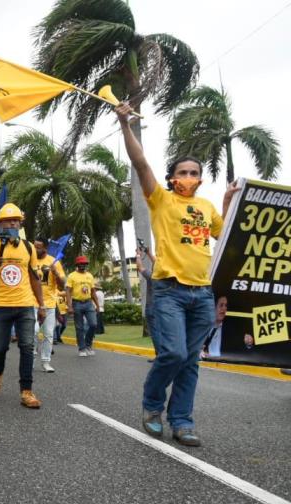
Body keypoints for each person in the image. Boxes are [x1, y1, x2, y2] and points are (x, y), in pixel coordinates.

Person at [117, 102, 237, 447]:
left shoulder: (206, 206)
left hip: (202, 293)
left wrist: (228, 200)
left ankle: (182, 421)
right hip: (169, 289)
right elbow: (140, 163)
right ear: (171, 178)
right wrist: (125, 124)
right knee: (173, 354)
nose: (188, 177)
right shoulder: (161, 200)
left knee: (191, 362)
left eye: (194, 172)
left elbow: (224, 233)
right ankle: (152, 405)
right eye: (182, 173)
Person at [0, 203, 45, 409]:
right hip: (0, 305)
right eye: (9, 220)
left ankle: (26, 391)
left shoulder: (28, 247)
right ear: (1, 224)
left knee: (27, 347)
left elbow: (34, 279)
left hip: (25, 305)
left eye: (17, 220)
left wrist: (41, 305)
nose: (13, 222)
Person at [31, 239, 65, 373]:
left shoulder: (54, 261)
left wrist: (56, 273)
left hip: (50, 303)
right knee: (33, 331)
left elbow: (62, 285)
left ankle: (46, 362)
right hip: (32, 302)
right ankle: (31, 360)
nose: (35, 249)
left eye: (38, 247)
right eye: (34, 247)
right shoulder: (30, 260)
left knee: (49, 334)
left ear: (45, 248)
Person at [66, 256, 99, 356]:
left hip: (89, 303)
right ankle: (82, 349)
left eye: (84, 264)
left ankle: (88, 345)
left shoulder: (89, 275)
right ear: (77, 265)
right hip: (77, 303)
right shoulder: (72, 276)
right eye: (81, 263)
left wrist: (97, 305)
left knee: (93, 324)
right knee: (79, 327)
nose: (83, 265)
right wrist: (70, 306)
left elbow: (93, 291)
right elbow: (68, 291)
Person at [135, 247, 158, 362]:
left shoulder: (152, 276)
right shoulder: (165, 277)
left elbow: (140, 267)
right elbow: (157, 263)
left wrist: (138, 255)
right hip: (164, 308)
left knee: (155, 333)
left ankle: (159, 356)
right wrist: (149, 253)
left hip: (151, 308)